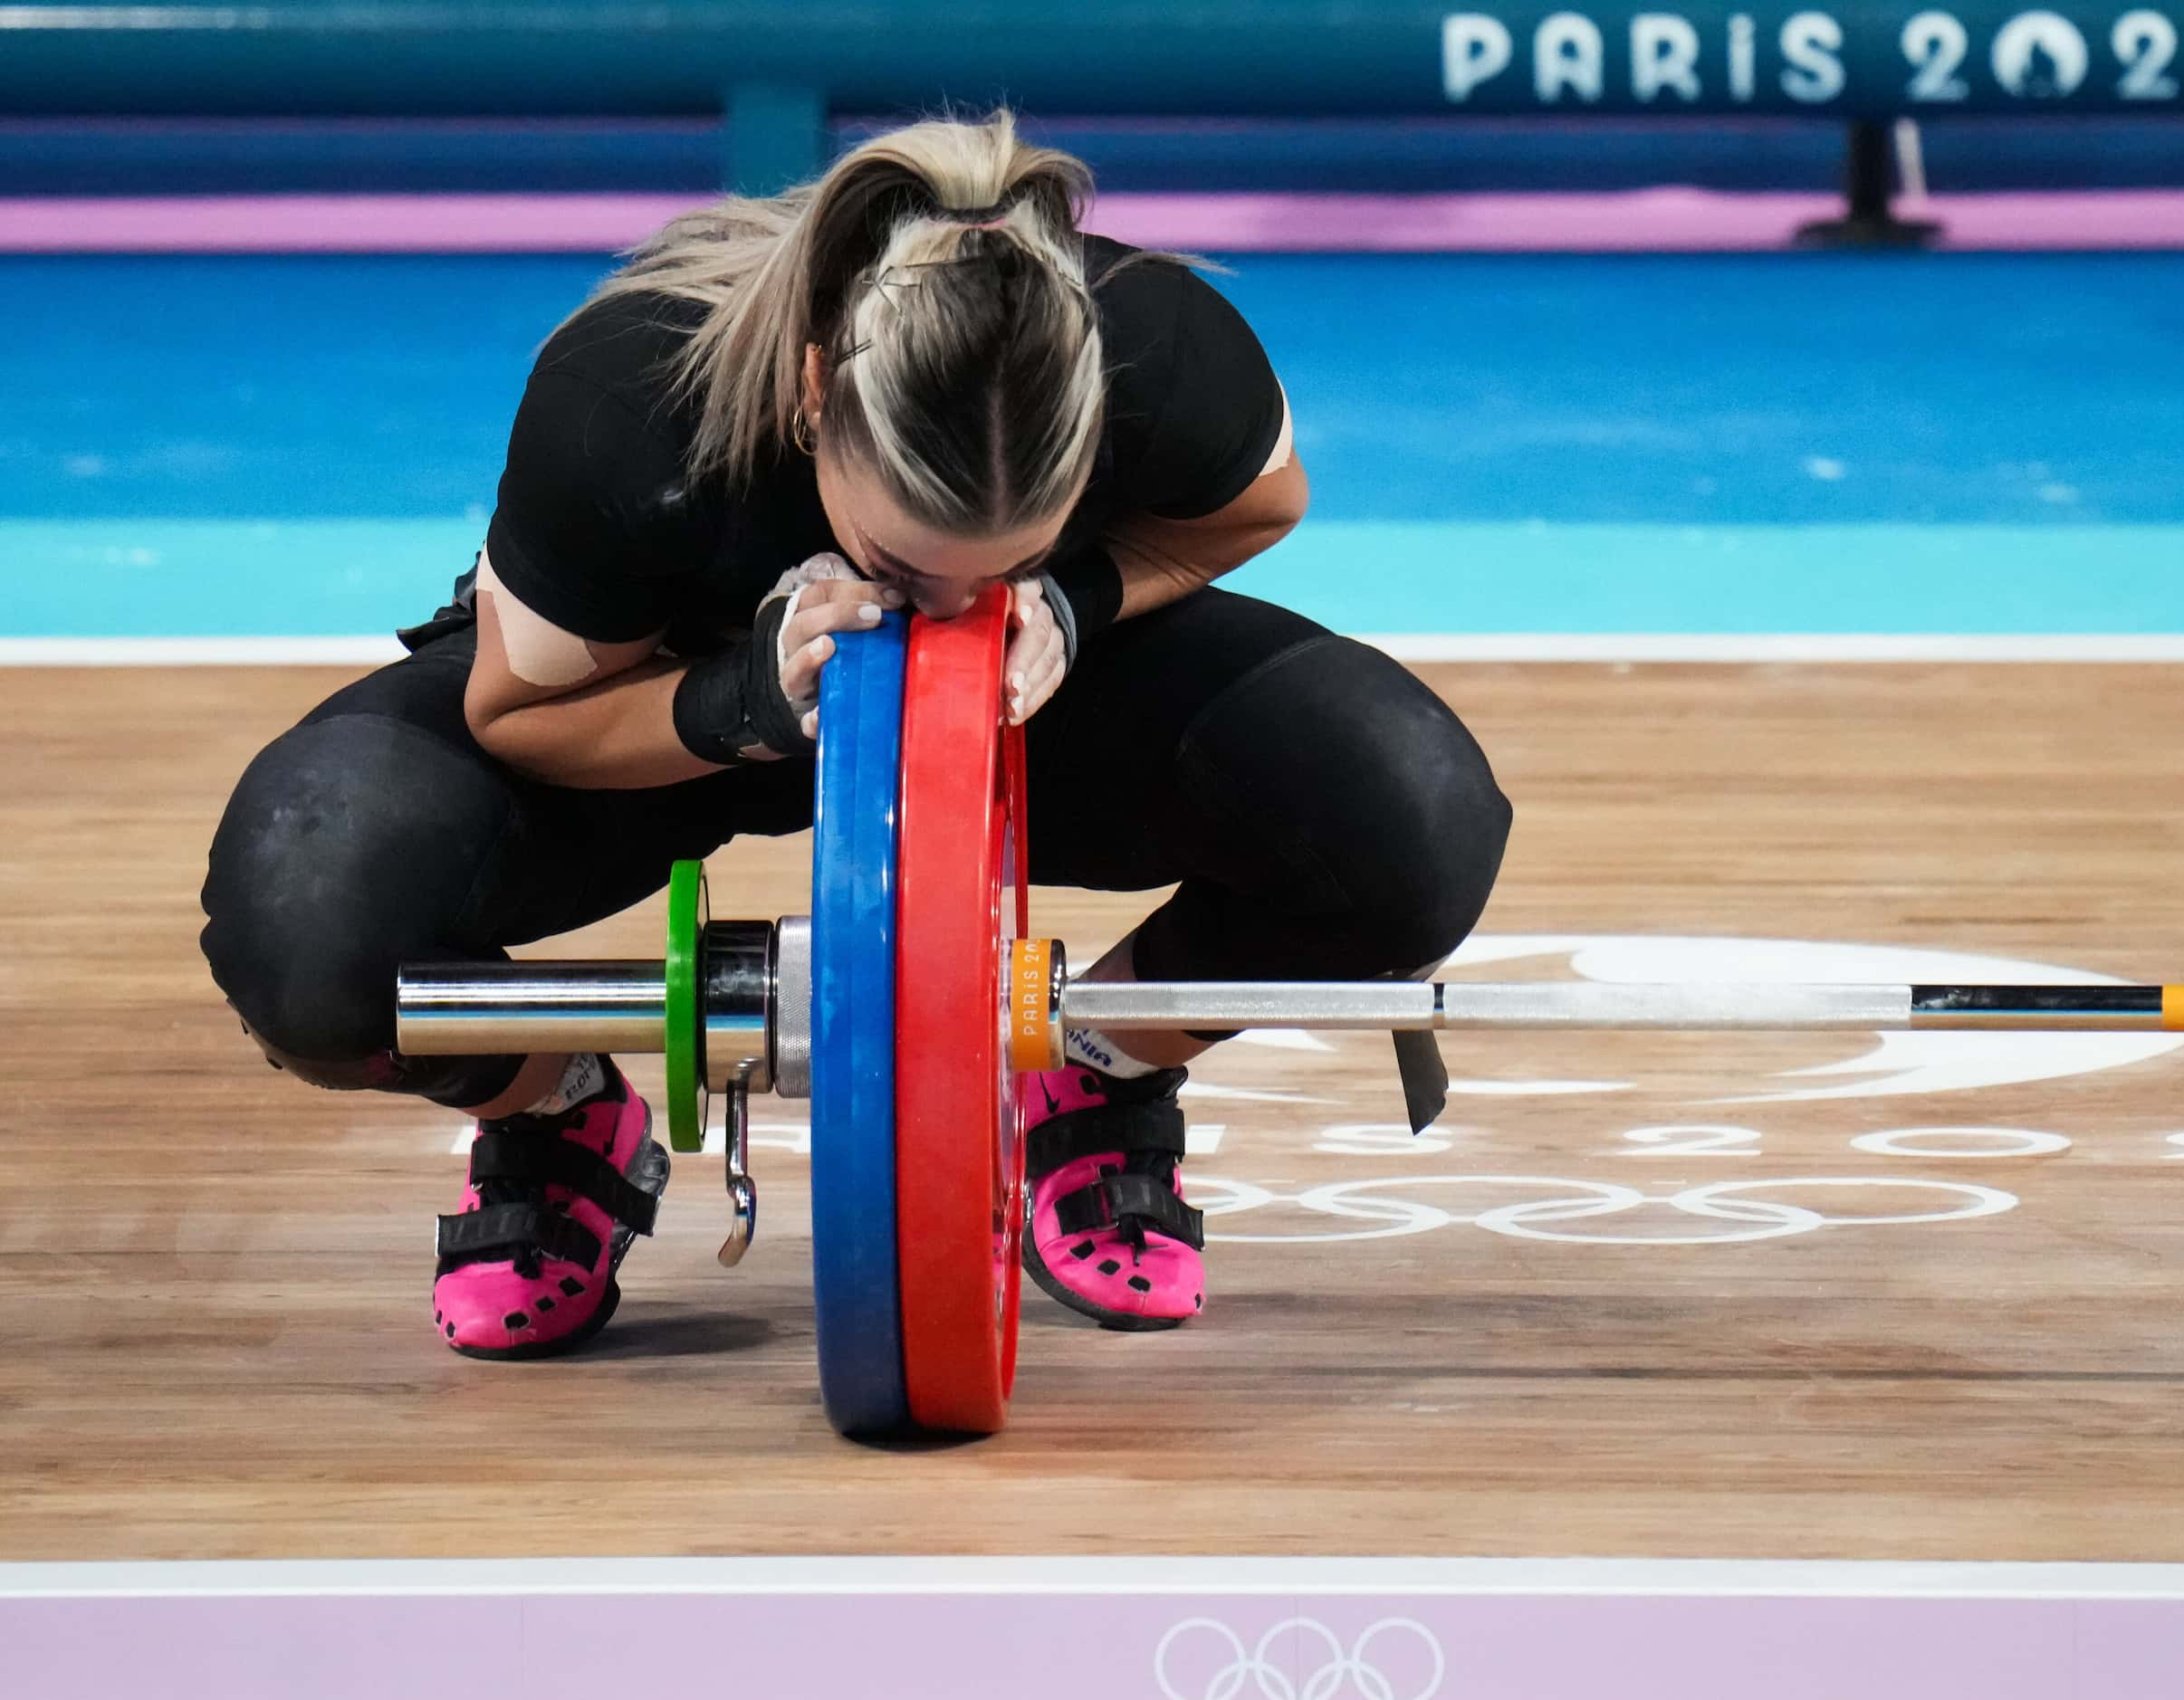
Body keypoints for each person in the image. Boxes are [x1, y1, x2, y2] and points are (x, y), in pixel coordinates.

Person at [200, 111, 1509, 1358]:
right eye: (899, 557)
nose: (935, 600)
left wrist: (1069, 596)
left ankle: (1094, 1068)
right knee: (307, 932)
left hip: (1017, 705)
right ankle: (551, 1112)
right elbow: (518, 714)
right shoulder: (629, 404)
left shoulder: (1153, 348)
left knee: (1410, 824)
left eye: (1003, 554)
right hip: (655, 706)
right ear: (816, 393)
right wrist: (743, 705)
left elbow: (1251, 506)